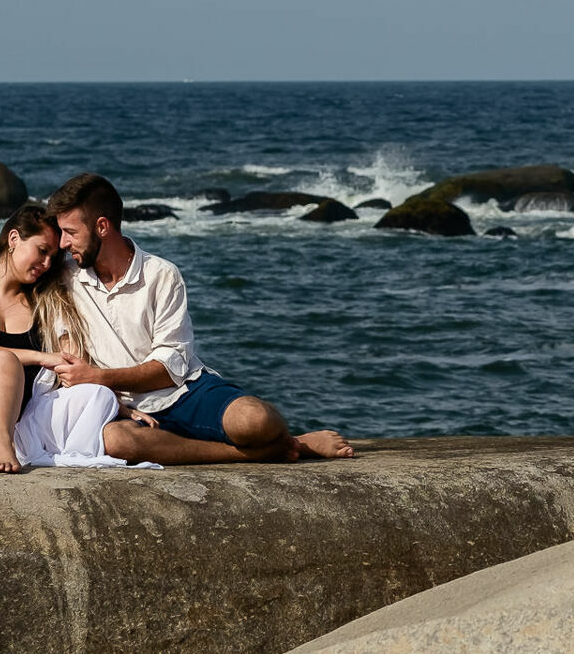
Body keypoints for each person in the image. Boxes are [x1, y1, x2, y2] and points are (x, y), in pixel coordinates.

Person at [44, 172, 354, 465]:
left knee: (256, 420)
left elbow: (170, 368)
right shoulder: (66, 279)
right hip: (120, 406)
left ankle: (277, 439)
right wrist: (109, 395)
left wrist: (99, 377)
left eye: (71, 233)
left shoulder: (161, 274)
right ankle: (273, 451)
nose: (63, 244)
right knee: (117, 444)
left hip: (182, 390)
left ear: (102, 227)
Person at [0, 202, 144, 472]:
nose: (47, 263)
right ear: (13, 239)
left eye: (52, 257)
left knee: (93, 394)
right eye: (41, 251)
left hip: (24, 430)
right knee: (4, 361)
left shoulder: (48, 304)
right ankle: (0, 444)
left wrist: (115, 404)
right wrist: (39, 357)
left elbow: (71, 366)